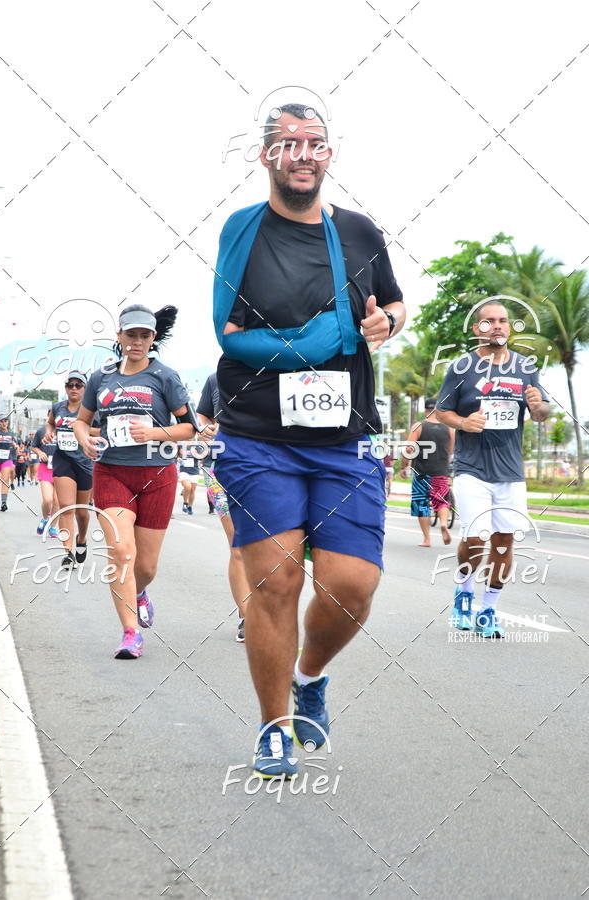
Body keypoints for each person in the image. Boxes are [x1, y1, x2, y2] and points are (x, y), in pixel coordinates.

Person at [212, 103, 405, 776]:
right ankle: (272, 727)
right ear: (267, 156)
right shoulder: (244, 230)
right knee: (277, 579)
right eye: (288, 144)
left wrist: (386, 325)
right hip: (259, 431)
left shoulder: (358, 231)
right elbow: (229, 333)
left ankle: (309, 674)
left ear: (329, 155)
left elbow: (393, 301)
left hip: (343, 435)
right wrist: (321, 339)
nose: (302, 155)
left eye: (314, 144)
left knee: (353, 583)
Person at [73, 304, 214, 660]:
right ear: (119, 336)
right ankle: (130, 632)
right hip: (112, 472)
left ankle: (138, 592)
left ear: (153, 339)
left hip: (157, 475)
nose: (137, 342)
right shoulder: (100, 377)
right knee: (122, 553)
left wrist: (153, 432)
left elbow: (189, 428)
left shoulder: (165, 376)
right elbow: (81, 420)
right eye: (131, 335)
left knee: (146, 567)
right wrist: (84, 438)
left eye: (145, 336)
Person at [435, 300, 550, 638]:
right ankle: (464, 593)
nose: (497, 326)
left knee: (503, 544)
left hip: (511, 471)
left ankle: (489, 609)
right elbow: (443, 411)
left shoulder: (526, 367)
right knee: (476, 539)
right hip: (472, 469)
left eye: (503, 321)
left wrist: (537, 405)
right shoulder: (461, 368)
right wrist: (463, 421)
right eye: (489, 322)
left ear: (509, 328)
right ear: (477, 329)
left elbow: (542, 414)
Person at [197, 372, 251, 643]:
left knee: (272, 546)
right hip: (219, 467)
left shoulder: (277, 370)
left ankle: (270, 610)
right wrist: (205, 429)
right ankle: (247, 616)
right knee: (238, 547)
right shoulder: (216, 378)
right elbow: (203, 417)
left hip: (267, 468)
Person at [44, 372, 99, 568]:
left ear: (85, 388)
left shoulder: (92, 410)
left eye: (79, 385)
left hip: (85, 462)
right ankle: (67, 552)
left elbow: (101, 431)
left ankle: (81, 538)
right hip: (63, 460)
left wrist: (81, 427)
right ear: (66, 387)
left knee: (82, 512)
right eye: (70, 385)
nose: (74, 388)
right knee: (67, 506)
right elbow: (51, 423)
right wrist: (49, 434)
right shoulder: (58, 407)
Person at [401, 398, 454, 547]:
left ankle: (427, 539)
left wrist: (403, 466)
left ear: (425, 410)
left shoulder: (418, 426)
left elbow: (409, 450)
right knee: (442, 501)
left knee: (422, 505)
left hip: (421, 473)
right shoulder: (449, 428)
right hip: (440, 472)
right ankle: (443, 523)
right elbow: (450, 451)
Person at [33, 422, 59, 537]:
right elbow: (34, 446)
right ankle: (44, 519)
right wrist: (40, 452)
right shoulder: (41, 431)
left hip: (61, 468)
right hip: (45, 467)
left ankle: (52, 527)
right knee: (48, 499)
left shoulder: (65, 430)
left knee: (57, 501)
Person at [177, 442, 201, 514]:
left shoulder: (197, 446)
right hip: (184, 470)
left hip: (194, 471)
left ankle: (190, 507)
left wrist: (196, 454)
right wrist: (178, 458)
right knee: (188, 487)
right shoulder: (181, 445)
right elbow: (175, 455)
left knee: (192, 490)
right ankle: (185, 503)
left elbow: (201, 457)